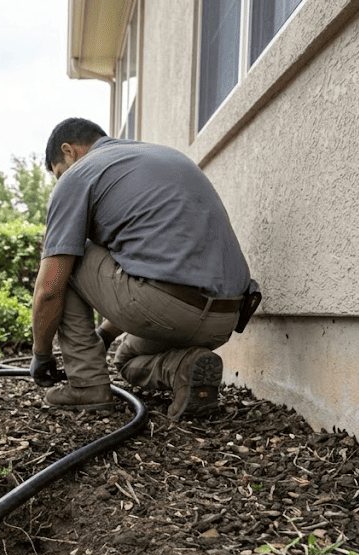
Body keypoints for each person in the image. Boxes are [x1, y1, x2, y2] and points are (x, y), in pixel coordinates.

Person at [29, 117, 253, 419]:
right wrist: (104, 336)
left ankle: (87, 387)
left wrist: (41, 353)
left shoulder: (79, 175)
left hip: (167, 307)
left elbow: (48, 289)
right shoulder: (163, 157)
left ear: (69, 151)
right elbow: (157, 265)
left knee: (65, 257)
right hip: (225, 317)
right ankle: (184, 367)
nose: (61, 180)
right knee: (126, 359)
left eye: (58, 173)